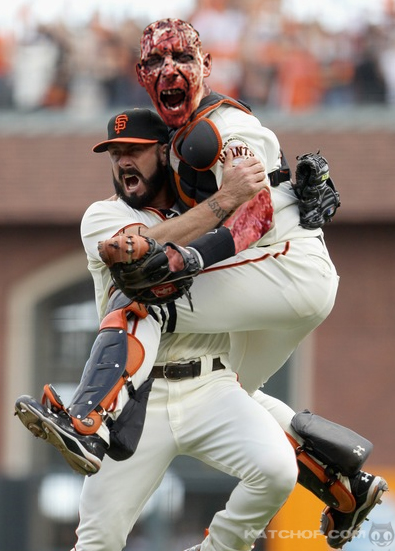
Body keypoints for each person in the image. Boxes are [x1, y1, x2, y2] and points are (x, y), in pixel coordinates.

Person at [16, 105, 386, 551]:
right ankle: (87, 424)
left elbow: (264, 215)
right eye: (114, 154)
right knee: (99, 539)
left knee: (275, 471)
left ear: (166, 153)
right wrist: (226, 201)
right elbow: (145, 249)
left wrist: (300, 197)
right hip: (139, 396)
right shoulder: (102, 215)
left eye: (134, 150)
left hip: (210, 383)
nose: (122, 162)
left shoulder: (207, 199)